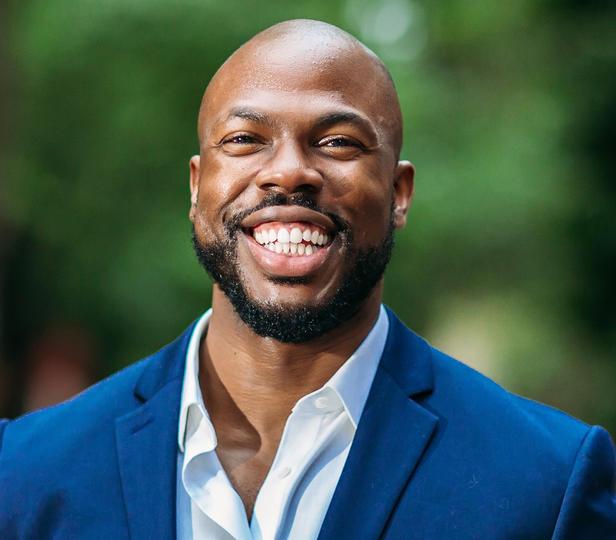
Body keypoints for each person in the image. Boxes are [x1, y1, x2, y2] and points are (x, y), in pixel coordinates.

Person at [0, 19, 614, 540]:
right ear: (196, 187)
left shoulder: (547, 483)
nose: (288, 172)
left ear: (399, 193)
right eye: (245, 139)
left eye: (337, 142)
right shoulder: (25, 473)